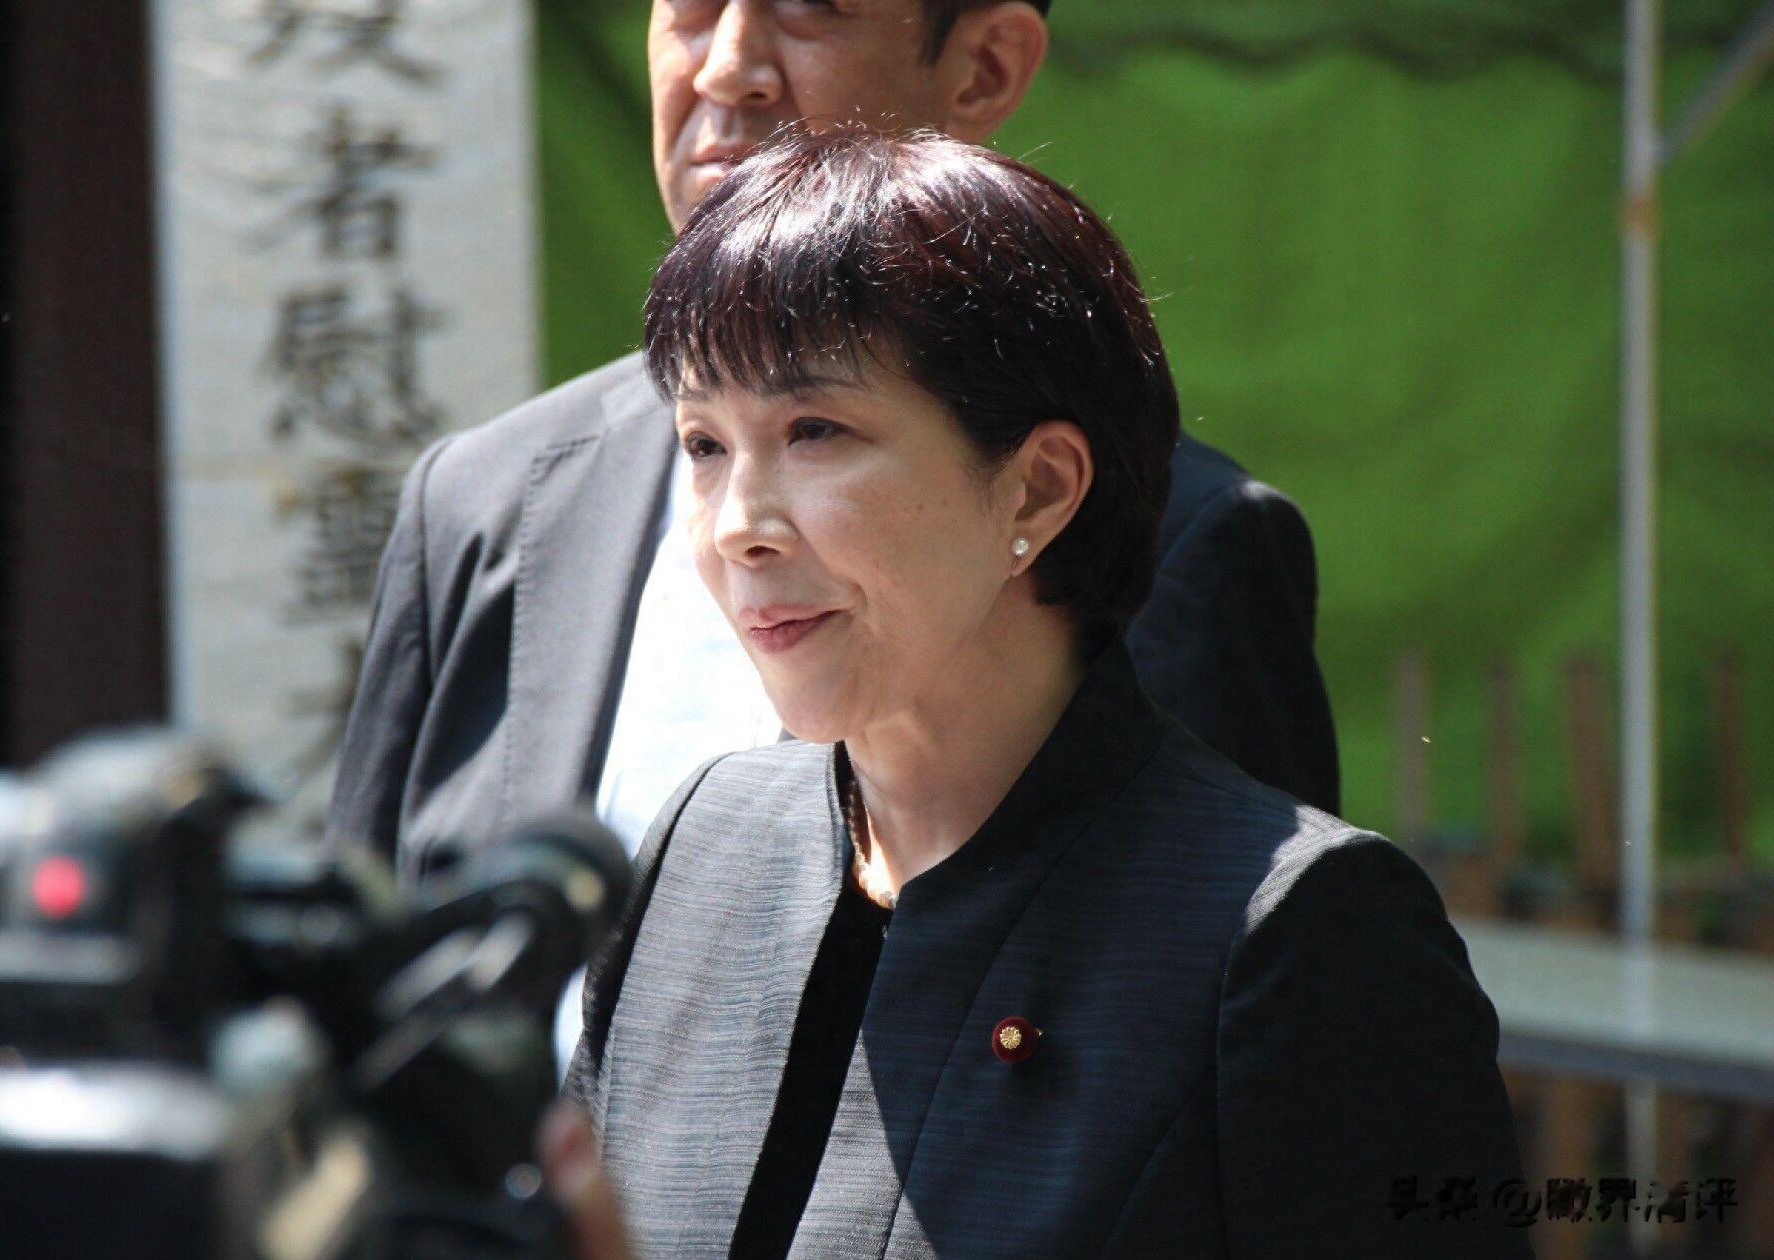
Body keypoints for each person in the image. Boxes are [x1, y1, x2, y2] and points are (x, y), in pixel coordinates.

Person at [551, 126, 1531, 1259]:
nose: (737, 528)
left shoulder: (1293, 934)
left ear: (1038, 488)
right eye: (704, 444)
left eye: (814, 431)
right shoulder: (705, 841)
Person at [329, 0, 1338, 893]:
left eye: (812, 6)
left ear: (984, 66)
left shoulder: (1186, 545)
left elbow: (1212, 971)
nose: (728, 66)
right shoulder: (482, 500)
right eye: (688, 5)